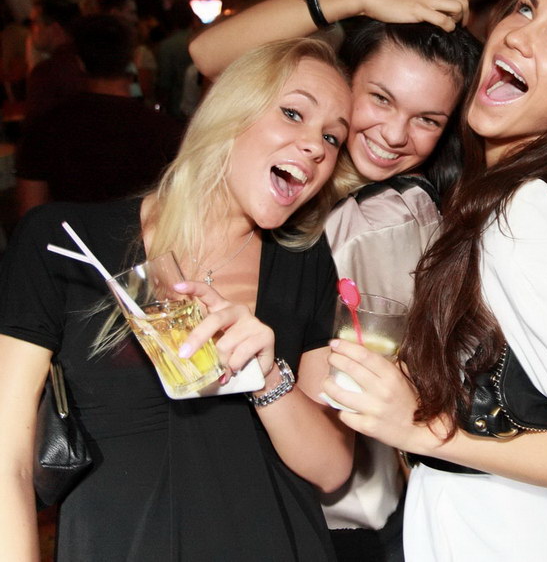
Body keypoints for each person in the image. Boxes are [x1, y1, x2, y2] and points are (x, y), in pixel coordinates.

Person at [320, 0, 547, 561]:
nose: (521, 33)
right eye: (525, 9)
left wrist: (422, 429)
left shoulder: (526, 213)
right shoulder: (502, 199)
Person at [0, 37, 356, 560]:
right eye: (293, 113)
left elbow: (331, 470)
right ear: (230, 111)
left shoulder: (304, 262)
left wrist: (267, 377)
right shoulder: (67, 243)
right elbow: (7, 458)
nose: (317, 147)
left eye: (332, 137)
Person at [191, 0, 481, 561]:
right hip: (271, 505)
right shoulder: (295, 185)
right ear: (342, 83)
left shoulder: (385, 219)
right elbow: (207, 54)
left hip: (341, 522)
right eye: (380, 99)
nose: (395, 135)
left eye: (428, 120)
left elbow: (349, 397)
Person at [15, 14, 181, 218]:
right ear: (130, 60)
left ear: (80, 63)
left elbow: (31, 212)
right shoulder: (162, 129)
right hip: (143, 234)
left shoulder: (47, 127)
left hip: (71, 235)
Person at [25, 0, 85, 123]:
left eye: (34, 23)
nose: (30, 30)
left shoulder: (47, 71)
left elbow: (36, 125)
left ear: (55, 29)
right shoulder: (91, 59)